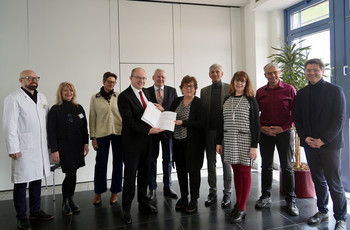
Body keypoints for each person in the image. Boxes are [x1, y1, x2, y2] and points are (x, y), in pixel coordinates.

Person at [294, 58, 347, 230]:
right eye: (308, 70)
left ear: (322, 71)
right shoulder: (301, 94)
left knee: (334, 182)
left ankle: (340, 218)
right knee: (318, 179)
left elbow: (339, 119)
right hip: (310, 144)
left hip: (329, 145)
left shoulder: (335, 91)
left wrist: (323, 140)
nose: (312, 73)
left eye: (315, 70)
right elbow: (298, 119)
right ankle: (322, 211)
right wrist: (305, 137)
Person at [3, 70, 54, 230]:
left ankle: (35, 210)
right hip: (23, 147)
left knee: (37, 178)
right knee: (21, 181)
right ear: (21, 80)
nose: (33, 80)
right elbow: (9, 125)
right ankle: (22, 216)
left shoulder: (42, 97)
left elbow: (46, 123)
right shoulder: (13, 98)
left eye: (35, 78)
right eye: (29, 78)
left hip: (39, 146)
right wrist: (13, 147)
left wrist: (49, 142)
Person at [118, 67, 164, 225]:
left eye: (144, 78)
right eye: (138, 78)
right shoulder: (124, 96)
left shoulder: (148, 93)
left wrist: (160, 110)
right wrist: (149, 130)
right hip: (132, 144)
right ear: (130, 78)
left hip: (147, 142)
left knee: (145, 174)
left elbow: (150, 113)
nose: (141, 81)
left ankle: (143, 203)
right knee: (130, 178)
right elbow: (129, 121)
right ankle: (126, 210)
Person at [255, 63, 299, 216]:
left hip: (283, 132)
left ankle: (290, 200)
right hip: (265, 133)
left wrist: (284, 128)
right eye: (269, 73)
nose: (273, 76)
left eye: (275, 72)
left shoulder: (289, 89)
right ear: (265, 75)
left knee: (286, 167)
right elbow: (255, 114)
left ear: (279, 73)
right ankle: (265, 196)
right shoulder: (260, 92)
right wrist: (262, 128)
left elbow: (295, 113)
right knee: (266, 166)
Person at [216, 71, 260, 223]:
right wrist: (219, 141)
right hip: (229, 139)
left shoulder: (251, 100)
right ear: (233, 82)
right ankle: (239, 202)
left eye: (242, 81)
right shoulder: (227, 99)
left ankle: (242, 207)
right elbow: (221, 122)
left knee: (245, 172)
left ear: (246, 83)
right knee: (236, 172)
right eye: (237, 81)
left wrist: (254, 145)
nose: (239, 83)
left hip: (245, 140)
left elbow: (256, 125)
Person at [47, 82, 89, 215]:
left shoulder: (79, 108)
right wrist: (54, 149)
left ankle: (71, 199)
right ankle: (65, 201)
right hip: (64, 147)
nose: (68, 93)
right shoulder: (55, 109)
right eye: (65, 91)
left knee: (74, 173)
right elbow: (51, 131)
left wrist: (86, 143)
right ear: (60, 92)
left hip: (77, 146)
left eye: (71, 91)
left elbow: (84, 127)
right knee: (70, 173)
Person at [170, 75, 206, 214]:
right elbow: (170, 116)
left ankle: (194, 199)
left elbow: (202, 123)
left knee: (194, 171)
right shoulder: (177, 101)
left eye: (191, 86)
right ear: (181, 88)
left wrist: (184, 123)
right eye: (186, 86)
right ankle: (184, 196)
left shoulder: (198, 103)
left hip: (193, 144)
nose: (188, 88)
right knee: (181, 171)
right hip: (178, 142)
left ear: (195, 88)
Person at [200, 64, 232, 208]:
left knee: (226, 164)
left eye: (217, 72)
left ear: (222, 73)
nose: (215, 74)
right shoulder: (204, 91)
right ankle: (212, 192)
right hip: (209, 132)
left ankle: (227, 193)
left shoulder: (229, 88)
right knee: (211, 164)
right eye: (212, 72)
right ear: (209, 74)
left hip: (225, 133)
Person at [89, 72, 123, 206]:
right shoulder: (95, 98)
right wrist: (93, 137)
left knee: (118, 163)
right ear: (103, 82)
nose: (111, 84)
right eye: (109, 81)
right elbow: (92, 117)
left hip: (118, 133)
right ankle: (98, 192)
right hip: (101, 134)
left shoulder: (119, 96)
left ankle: (115, 192)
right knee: (100, 163)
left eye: (113, 82)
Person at [147, 69, 178, 200]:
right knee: (151, 160)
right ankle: (152, 188)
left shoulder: (172, 91)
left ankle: (167, 187)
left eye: (163, 77)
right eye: (158, 77)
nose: (161, 79)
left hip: (167, 131)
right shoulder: (146, 91)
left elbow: (176, 109)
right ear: (153, 77)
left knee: (168, 160)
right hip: (152, 131)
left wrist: (164, 110)